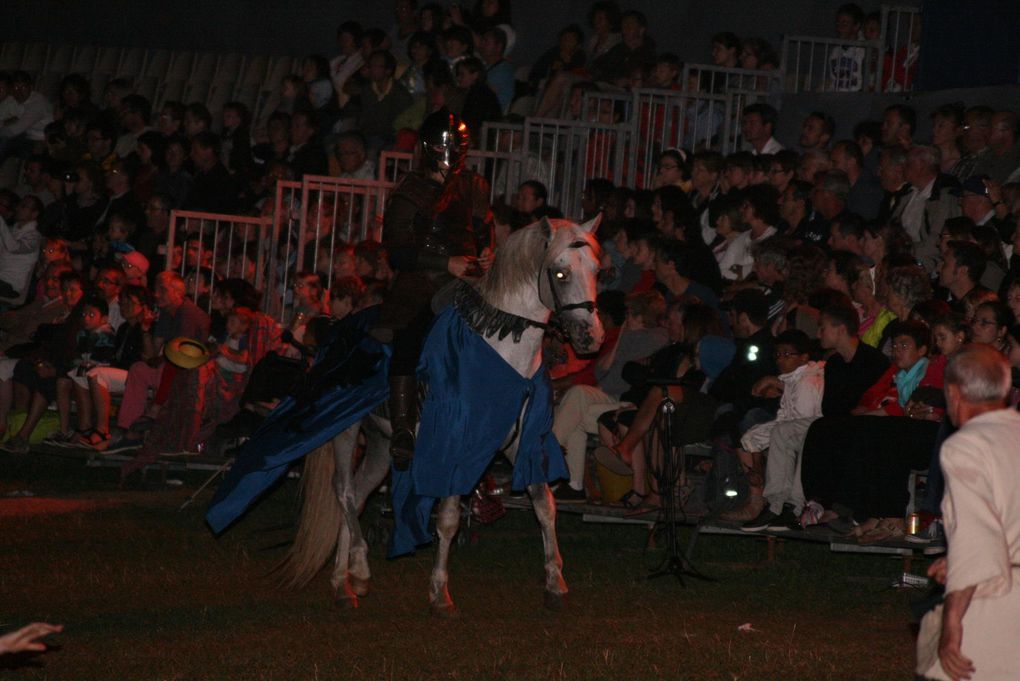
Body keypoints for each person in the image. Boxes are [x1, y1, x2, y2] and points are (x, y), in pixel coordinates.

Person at [375, 108, 493, 468]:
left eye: (456, 147)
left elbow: (481, 227)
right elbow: (398, 249)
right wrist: (445, 264)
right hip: (422, 282)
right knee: (409, 341)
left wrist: (486, 252)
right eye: (445, 147)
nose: (450, 154)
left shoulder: (473, 186)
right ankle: (403, 429)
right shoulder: (409, 192)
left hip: (469, 281)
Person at [916, 345, 1020, 681]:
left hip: (1002, 599)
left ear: (953, 393)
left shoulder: (967, 447)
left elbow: (977, 540)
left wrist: (952, 624)